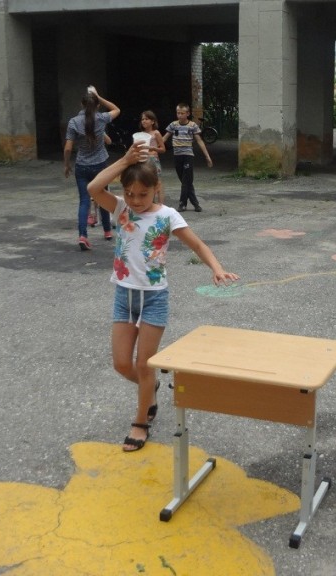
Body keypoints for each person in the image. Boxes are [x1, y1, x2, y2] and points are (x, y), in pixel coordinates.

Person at [87, 142, 239, 452]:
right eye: (130, 193)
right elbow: (93, 187)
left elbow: (197, 245)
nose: (135, 200)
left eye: (143, 194)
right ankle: (151, 386)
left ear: (156, 188)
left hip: (154, 297)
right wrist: (125, 160)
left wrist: (217, 268)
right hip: (124, 295)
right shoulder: (120, 209)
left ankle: (141, 421)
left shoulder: (168, 216)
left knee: (144, 364)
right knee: (122, 364)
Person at [64, 87, 119, 249]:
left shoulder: (73, 122)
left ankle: (83, 236)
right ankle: (107, 231)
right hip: (100, 165)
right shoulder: (101, 118)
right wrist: (99, 96)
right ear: (98, 105)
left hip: (82, 166)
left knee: (84, 201)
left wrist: (67, 164)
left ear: (81, 104)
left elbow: (68, 148)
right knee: (103, 197)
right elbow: (116, 109)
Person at [163, 103, 212, 212]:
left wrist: (207, 156)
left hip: (188, 155)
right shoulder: (173, 125)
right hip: (177, 156)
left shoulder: (193, 126)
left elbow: (199, 141)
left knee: (186, 181)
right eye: (178, 113)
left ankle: (182, 204)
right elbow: (164, 138)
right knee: (186, 181)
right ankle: (195, 203)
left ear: (188, 113)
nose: (180, 115)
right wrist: (153, 147)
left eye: (182, 113)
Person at [139, 110, 166, 205]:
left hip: (154, 160)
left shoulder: (156, 133)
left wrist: (153, 148)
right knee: (146, 182)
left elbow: (163, 149)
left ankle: (161, 205)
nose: (144, 121)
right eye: (142, 119)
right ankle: (150, 203)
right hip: (143, 160)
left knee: (157, 182)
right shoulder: (141, 134)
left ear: (153, 121)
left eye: (146, 119)